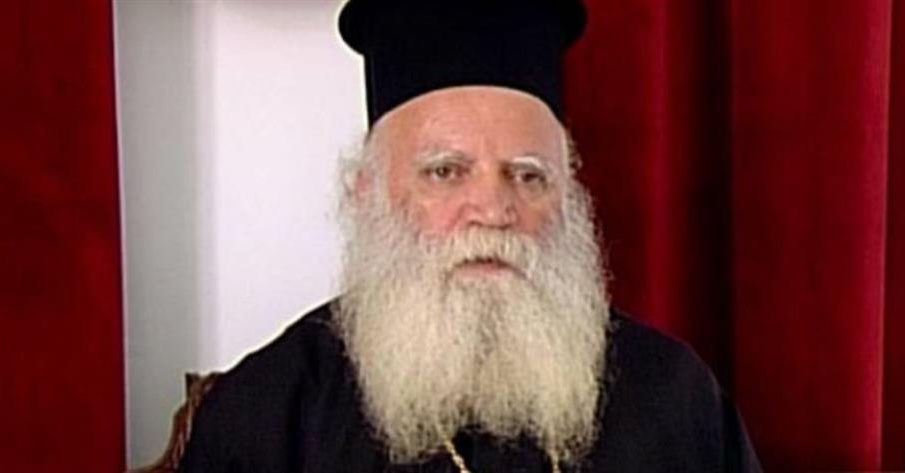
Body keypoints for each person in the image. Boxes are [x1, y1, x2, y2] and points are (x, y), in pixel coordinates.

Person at [178, 1, 762, 471]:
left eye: (527, 175)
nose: (494, 210)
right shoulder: (270, 415)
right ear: (366, 194)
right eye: (446, 172)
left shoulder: (674, 398)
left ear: (569, 198)